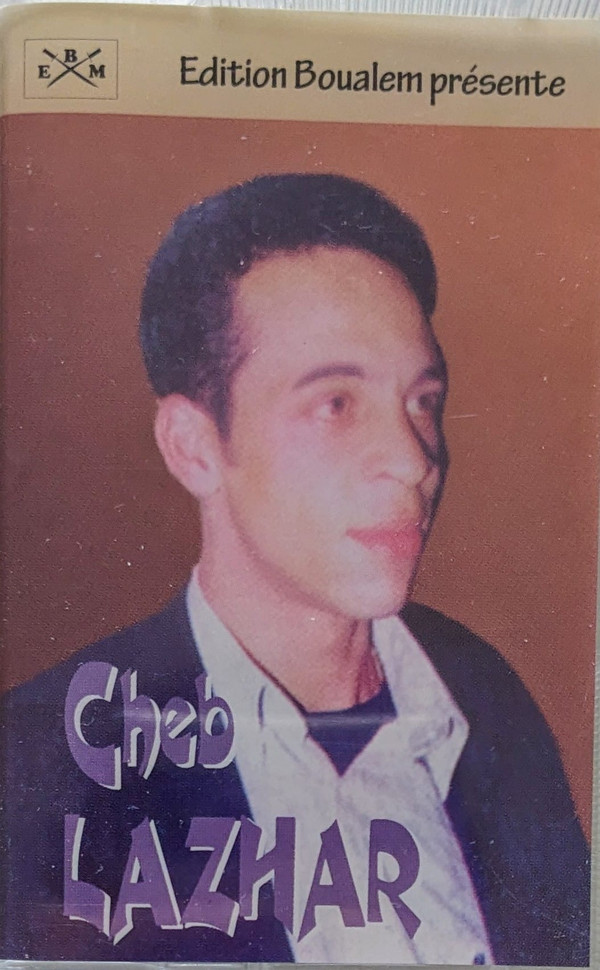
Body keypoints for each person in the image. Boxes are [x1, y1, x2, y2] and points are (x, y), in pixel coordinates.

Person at [1, 174, 590, 965]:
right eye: (335, 404)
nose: (413, 460)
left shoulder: (482, 699)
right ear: (193, 447)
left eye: (422, 400)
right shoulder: (42, 767)